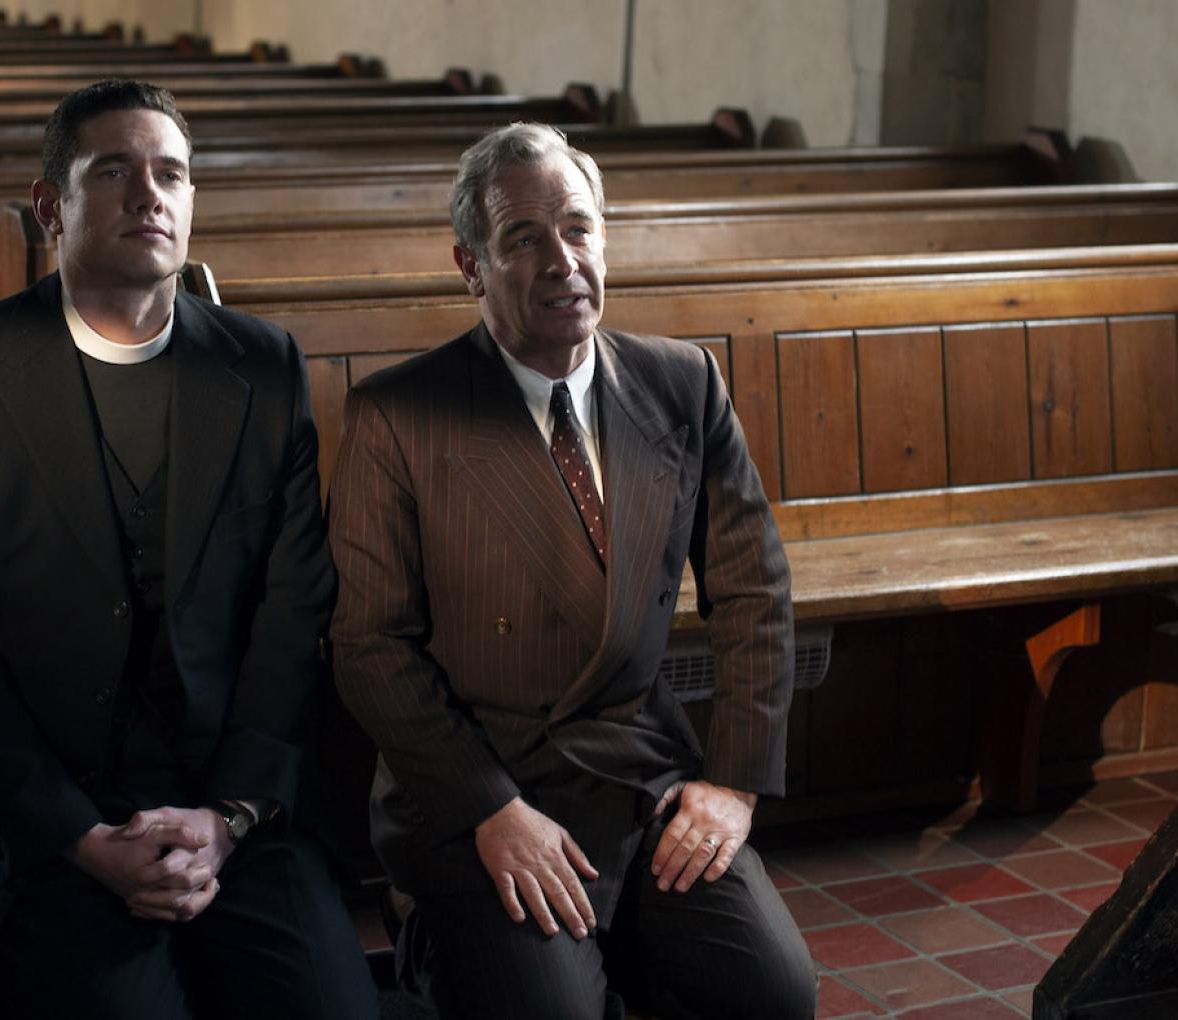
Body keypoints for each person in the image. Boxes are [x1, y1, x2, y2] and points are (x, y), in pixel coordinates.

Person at [0, 79, 377, 1019]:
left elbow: (292, 610)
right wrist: (79, 837)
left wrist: (227, 818)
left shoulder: (262, 367)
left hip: (223, 806)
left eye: (172, 174)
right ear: (49, 206)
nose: (151, 194)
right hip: (42, 812)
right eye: (114, 171)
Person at [328, 122, 817, 1019]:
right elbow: (370, 648)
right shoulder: (399, 415)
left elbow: (755, 592)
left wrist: (734, 783)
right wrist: (488, 808)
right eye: (523, 238)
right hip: (482, 792)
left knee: (773, 994)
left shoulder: (683, 383)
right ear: (470, 264)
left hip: (641, 777)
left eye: (579, 229)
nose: (562, 260)